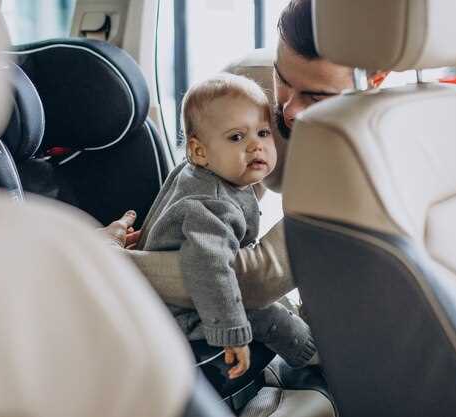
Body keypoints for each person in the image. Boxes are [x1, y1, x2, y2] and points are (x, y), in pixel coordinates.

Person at [105, 0, 385, 308]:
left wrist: (105, 261)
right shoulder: (245, 87)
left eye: (315, 96)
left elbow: (254, 280)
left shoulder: (372, 151)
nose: (289, 110)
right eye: (283, 79)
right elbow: (201, 207)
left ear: (376, 80)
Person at [139, 73, 317, 378]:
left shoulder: (193, 172)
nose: (256, 146)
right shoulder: (213, 204)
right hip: (183, 312)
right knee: (266, 313)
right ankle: (311, 355)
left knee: (272, 298)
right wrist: (232, 332)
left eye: (263, 133)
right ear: (199, 151)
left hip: (175, 298)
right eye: (237, 137)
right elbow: (209, 265)